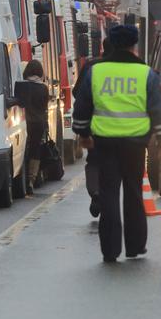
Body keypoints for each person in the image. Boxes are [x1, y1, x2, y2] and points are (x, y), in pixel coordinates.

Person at [73, 25, 161, 262]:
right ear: (133, 45)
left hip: (104, 143)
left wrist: (83, 133)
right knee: (133, 193)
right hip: (136, 145)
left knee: (108, 194)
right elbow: (159, 112)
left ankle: (110, 249)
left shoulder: (96, 72)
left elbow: (82, 106)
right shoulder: (146, 74)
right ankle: (135, 246)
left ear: (112, 43)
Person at [72, 37, 114, 218]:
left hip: (96, 126)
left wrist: (81, 129)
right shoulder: (131, 68)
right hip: (127, 130)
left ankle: (96, 193)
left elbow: (77, 92)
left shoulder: (91, 66)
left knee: (94, 163)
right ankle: (110, 198)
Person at [19, 60, 50, 196]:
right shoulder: (43, 88)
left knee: (24, 149)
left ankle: (22, 176)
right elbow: (44, 108)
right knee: (35, 148)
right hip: (38, 123)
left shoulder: (23, 87)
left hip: (25, 122)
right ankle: (32, 179)